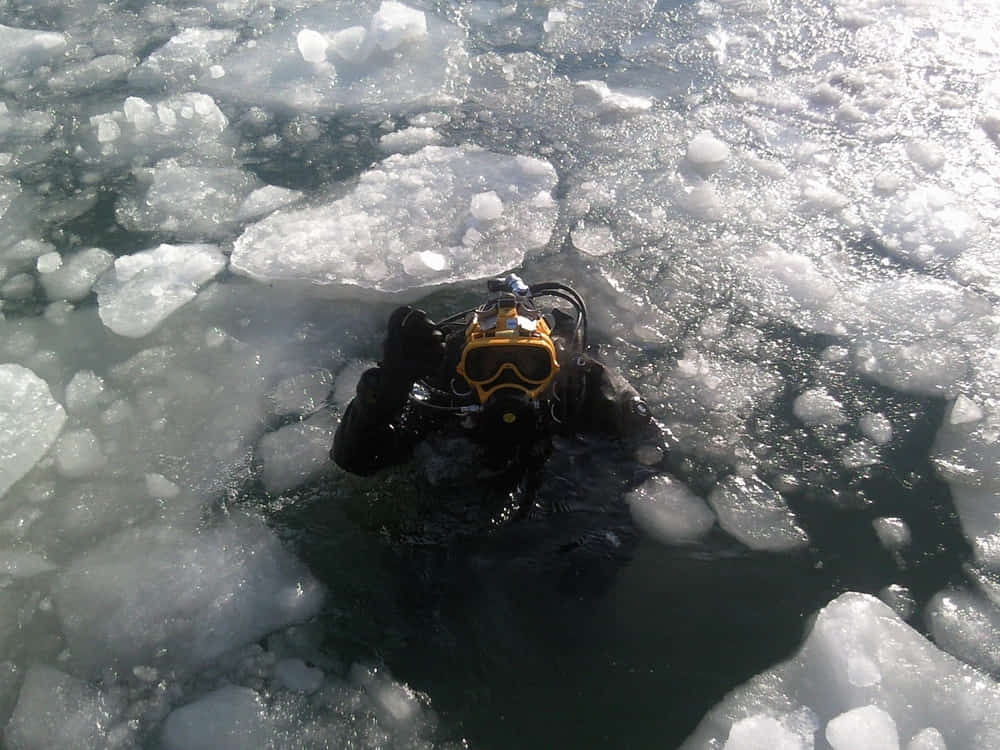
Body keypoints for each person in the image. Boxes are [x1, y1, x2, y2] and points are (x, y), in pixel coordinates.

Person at [331, 274, 667, 514]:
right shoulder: (450, 388)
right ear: (464, 368)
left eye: (528, 366)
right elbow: (356, 460)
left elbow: (646, 451)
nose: (510, 381)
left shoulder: (582, 387)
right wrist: (391, 383)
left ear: (553, 365)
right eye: (488, 366)